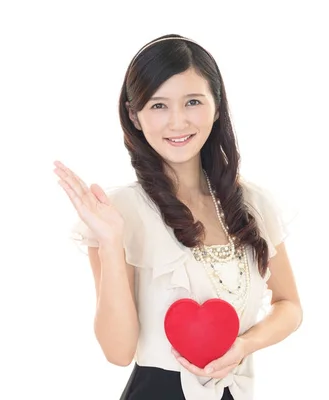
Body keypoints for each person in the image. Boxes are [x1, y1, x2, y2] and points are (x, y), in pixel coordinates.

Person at [53, 33, 303, 400]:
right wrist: (110, 243)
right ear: (134, 116)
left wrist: (245, 345)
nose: (177, 122)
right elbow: (118, 352)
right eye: (158, 106)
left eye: (192, 102)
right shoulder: (118, 212)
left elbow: (290, 305)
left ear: (217, 106)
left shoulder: (251, 203)